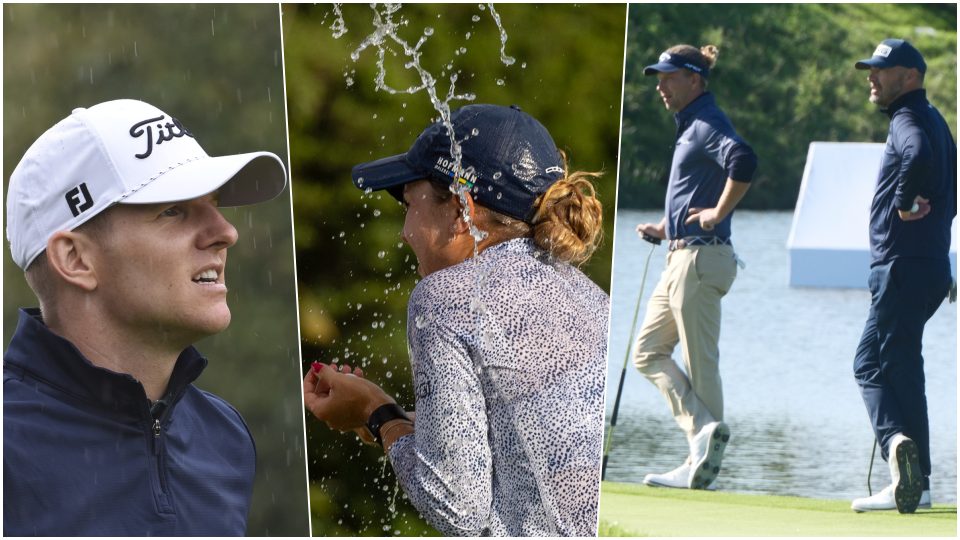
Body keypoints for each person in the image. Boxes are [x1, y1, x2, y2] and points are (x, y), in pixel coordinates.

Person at [302, 104, 608, 536]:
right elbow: (526, 442)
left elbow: (456, 507)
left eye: (410, 203)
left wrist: (376, 413)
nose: (406, 230)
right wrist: (401, 422)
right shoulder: (592, 298)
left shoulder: (446, 298)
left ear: (461, 210)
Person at [4, 99, 287, 535]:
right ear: (76, 258)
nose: (226, 232)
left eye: (214, 204)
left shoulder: (225, 437)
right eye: (172, 210)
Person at [631, 44, 757, 490]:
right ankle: (702, 435)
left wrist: (718, 213)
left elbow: (743, 160)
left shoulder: (706, 123)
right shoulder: (691, 126)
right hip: (683, 253)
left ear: (695, 80)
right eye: (659, 78)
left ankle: (701, 459)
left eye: (670, 77)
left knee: (700, 364)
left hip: (703, 258)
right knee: (646, 352)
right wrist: (666, 227)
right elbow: (694, 191)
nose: (661, 87)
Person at [849, 39, 956, 514]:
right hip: (931, 265)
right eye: (871, 69)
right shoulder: (936, 120)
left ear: (910, 76)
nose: (872, 77)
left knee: (868, 365)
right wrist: (935, 243)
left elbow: (914, 157)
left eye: (883, 70)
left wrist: (905, 204)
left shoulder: (908, 121)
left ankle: (896, 449)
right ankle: (922, 483)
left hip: (900, 266)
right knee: (905, 370)